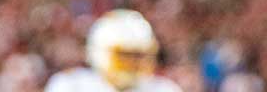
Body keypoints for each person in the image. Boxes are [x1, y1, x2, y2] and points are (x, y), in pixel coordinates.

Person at [44, 10, 181, 92]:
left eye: (139, 56)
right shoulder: (70, 85)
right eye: (125, 56)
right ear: (99, 53)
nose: (133, 63)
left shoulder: (164, 88)